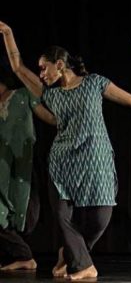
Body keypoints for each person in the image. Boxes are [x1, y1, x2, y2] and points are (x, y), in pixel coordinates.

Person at [0, 21, 131, 280]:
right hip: (62, 161)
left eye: (44, 67)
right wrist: (9, 33)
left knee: (101, 218)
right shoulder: (50, 95)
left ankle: (70, 255)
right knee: (62, 215)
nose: (41, 73)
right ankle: (84, 266)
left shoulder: (95, 83)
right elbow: (17, 67)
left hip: (96, 157)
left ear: (60, 63)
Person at [0, 68, 55, 271]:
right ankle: (19, 255)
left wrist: (69, 122)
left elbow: (47, 116)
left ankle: (23, 256)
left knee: (22, 208)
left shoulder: (23, 94)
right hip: (1, 166)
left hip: (22, 163)